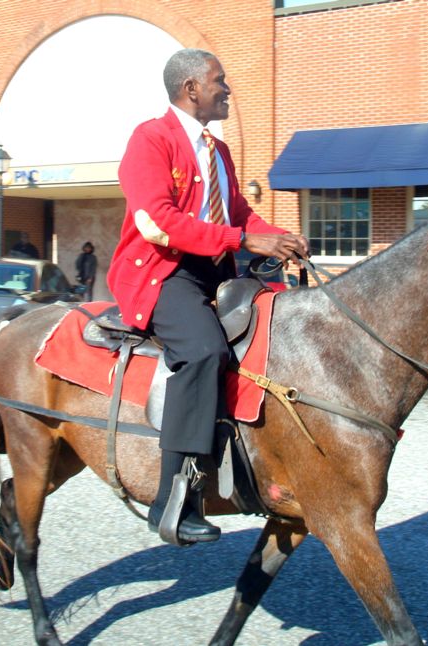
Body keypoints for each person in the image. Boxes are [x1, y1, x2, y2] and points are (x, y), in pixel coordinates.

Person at [108, 48, 308, 545]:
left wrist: (280, 238)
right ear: (191, 88)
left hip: (216, 270)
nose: (227, 89)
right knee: (202, 352)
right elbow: (157, 222)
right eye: (220, 80)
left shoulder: (218, 150)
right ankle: (173, 499)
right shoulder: (150, 139)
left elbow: (239, 214)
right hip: (164, 272)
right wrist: (243, 240)